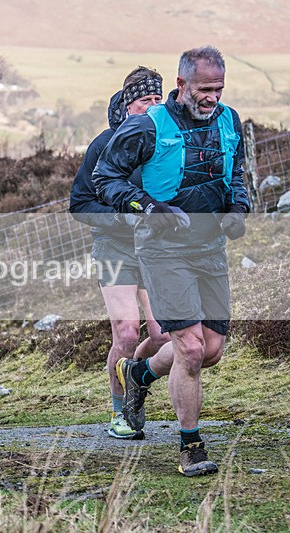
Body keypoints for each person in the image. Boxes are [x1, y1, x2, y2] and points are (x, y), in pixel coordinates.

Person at [93, 47, 249, 476]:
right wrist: (148, 207)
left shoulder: (229, 120)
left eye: (218, 89)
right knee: (191, 347)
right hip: (162, 248)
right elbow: (104, 177)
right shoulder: (146, 126)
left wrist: (237, 208)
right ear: (181, 86)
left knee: (211, 349)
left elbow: (236, 172)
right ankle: (190, 446)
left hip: (209, 247)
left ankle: (140, 375)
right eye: (203, 89)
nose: (212, 98)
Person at [70, 67, 170, 439]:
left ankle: (134, 381)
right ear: (129, 104)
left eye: (159, 100)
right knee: (127, 333)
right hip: (114, 247)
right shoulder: (105, 143)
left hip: (156, 250)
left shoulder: (167, 142)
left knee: (162, 336)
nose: (154, 107)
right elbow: (79, 204)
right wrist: (125, 220)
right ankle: (119, 413)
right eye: (147, 100)